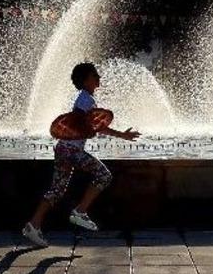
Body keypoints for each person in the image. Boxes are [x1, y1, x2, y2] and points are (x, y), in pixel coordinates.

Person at [22, 62, 141, 247]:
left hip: (63, 149)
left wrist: (120, 135)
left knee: (57, 190)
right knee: (104, 175)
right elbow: (79, 119)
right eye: (95, 76)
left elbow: (95, 126)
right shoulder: (85, 100)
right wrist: (87, 127)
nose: (98, 78)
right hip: (71, 151)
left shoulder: (86, 98)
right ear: (85, 80)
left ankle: (33, 225)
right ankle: (80, 211)